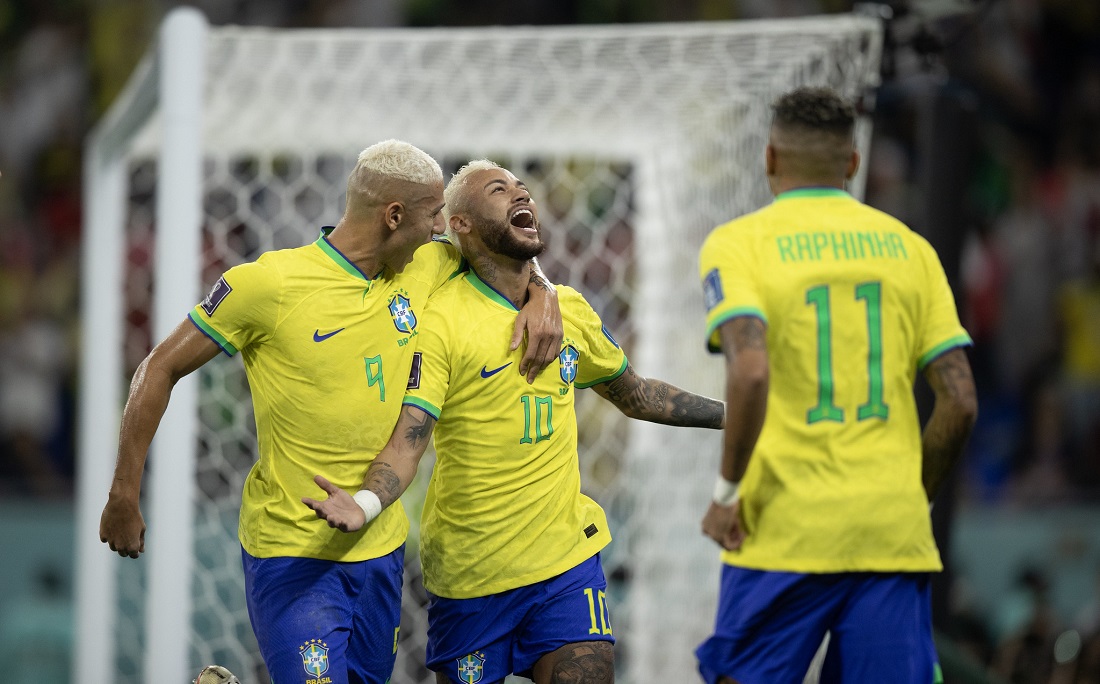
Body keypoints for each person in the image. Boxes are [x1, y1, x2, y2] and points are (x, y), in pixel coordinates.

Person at [98, 140, 564, 684]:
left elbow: (506, 253)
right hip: (294, 554)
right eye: (433, 214)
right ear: (394, 216)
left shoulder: (427, 265)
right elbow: (158, 369)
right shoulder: (267, 286)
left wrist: (543, 295)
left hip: (380, 550)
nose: (442, 228)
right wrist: (124, 493)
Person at [302, 160, 726, 684]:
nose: (520, 193)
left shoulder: (567, 308)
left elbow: (635, 394)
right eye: (499, 190)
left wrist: (740, 417)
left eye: (522, 187)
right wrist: (364, 504)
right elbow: (409, 441)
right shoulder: (440, 322)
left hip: (566, 565)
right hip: (470, 579)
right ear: (459, 222)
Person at [694, 87, 979, 684]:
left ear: (770, 158)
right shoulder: (913, 251)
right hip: (890, 538)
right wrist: (909, 495)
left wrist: (725, 496)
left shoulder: (739, 243)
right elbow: (959, 400)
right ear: (853, 164)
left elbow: (750, 371)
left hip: (783, 532)